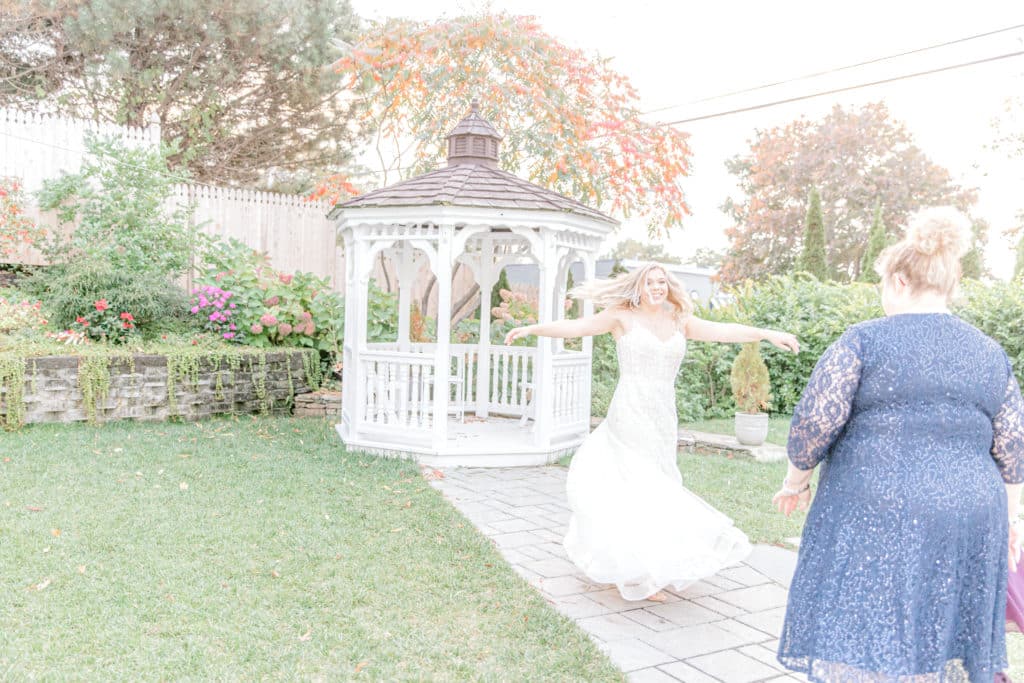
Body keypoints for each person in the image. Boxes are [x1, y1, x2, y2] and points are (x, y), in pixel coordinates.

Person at [772, 207, 1024, 682]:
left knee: (865, 616)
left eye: (882, 284)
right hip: (971, 513)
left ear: (900, 281)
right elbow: (1013, 447)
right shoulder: (991, 353)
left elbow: (815, 421)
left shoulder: (864, 340)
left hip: (875, 505)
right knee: (941, 619)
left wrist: (795, 482)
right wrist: (1013, 520)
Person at [504, 262, 799, 601]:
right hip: (629, 410)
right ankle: (640, 574)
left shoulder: (678, 319)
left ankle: (641, 564)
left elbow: (724, 330)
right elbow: (577, 326)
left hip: (662, 414)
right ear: (638, 287)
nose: (657, 287)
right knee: (641, 485)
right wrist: (532, 330)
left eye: (662, 282)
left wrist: (766, 333)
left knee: (659, 483)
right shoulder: (621, 316)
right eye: (650, 282)